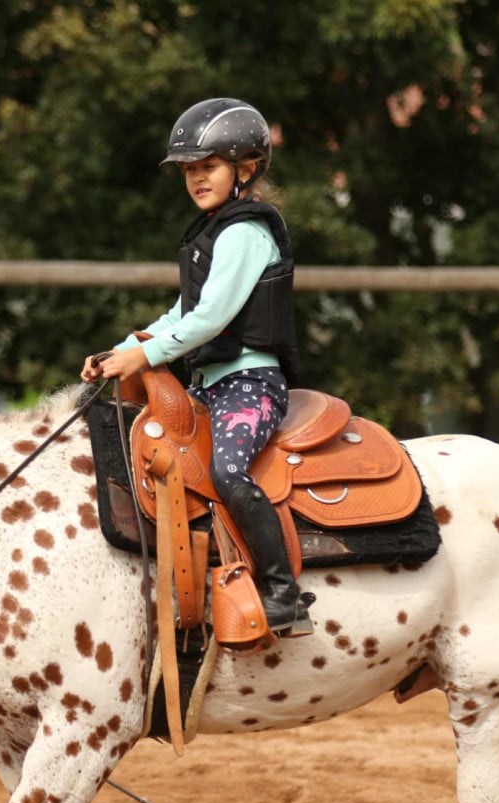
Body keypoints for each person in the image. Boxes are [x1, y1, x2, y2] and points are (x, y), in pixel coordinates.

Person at [81, 97, 313, 638]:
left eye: (207, 166)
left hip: (250, 384)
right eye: (188, 170)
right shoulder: (209, 233)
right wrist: (122, 351)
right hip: (208, 386)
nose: (196, 179)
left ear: (246, 168)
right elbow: (181, 314)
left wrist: (146, 355)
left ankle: (283, 592)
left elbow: (210, 318)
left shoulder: (245, 233)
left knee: (228, 473)